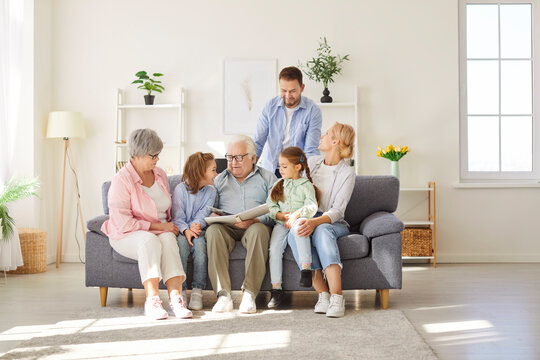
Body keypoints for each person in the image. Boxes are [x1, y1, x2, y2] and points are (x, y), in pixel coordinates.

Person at [102, 128, 192, 320]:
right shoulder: (121, 180)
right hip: (126, 235)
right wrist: (159, 226)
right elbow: (124, 223)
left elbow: (167, 212)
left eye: (158, 155)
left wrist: (169, 226)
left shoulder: (159, 174)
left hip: (159, 231)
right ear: (137, 155)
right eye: (153, 155)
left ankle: (176, 298)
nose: (157, 159)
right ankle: (152, 301)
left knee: (168, 239)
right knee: (149, 240)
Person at [287, 122, 356, 318]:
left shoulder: (347, 173)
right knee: (296, 232)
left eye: (326, 134)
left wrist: (315, 223)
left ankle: (337, 297)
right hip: (309, 216)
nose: (321, 136)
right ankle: (323, 295)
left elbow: (338, 211)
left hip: (332, 222)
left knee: (323, 232)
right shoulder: (313, 163)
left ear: (335, 141)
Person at [206, 135, 277, 313]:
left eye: (239, 157)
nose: (232, 162)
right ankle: (223, 296)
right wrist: (212, 214)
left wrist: (255, 220)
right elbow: (205, 205)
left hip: (255, 225)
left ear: (253, 158)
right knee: (213, 231)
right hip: (226, 226)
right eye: (229, 157)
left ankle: (249, 294)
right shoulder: (218, 180)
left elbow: (276, 210)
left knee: (259, 230)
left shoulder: (268, 178)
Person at [266, 146, 320, 309]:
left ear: (297, 167)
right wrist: (282, 216)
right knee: (274, 250)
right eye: (279, 166)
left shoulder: (306, 185)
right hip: (281, 224)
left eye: (284, 166)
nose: (280, 169)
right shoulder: (278, 185)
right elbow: (271, 206)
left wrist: (296, 215)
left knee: (299, 229)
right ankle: (276, 289)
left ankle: (306, 269)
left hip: (298, 221)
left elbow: (312, 206)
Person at [254, 66, 322, 177]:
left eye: (292, 91)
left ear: (302, 87)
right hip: (270, 170)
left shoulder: (312, 110)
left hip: (296, 172)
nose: (287, 96)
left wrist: (307, 178)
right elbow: (258, 143)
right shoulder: (269, 107)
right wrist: (249, 173)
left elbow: (311, 150)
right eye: (283, 90)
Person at [171, 152, 218, 311]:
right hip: (182, 230)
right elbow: (177, 216)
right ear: (200, 171)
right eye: (213, 170)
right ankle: (181, 290)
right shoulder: (180, 189)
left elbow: (204, 213)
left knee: (200, 248)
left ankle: (198, 291)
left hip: (199, 231)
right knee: (182, 247)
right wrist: (186, 230)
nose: (216, 174)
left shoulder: (211, 192)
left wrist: (196, 225)